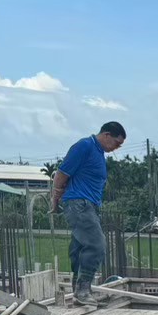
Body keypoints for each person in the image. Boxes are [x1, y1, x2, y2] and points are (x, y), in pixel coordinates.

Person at [51, 121, 126, 303]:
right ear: (106, 135)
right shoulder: (84, 146)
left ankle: (80, 291)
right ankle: (83, 290)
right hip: (78, 204)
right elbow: (61, 174)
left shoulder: (98, 153)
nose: (116, 148)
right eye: (116, 143)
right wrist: (55, 199)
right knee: (96, 244)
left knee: (79, 248)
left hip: (88, 205)